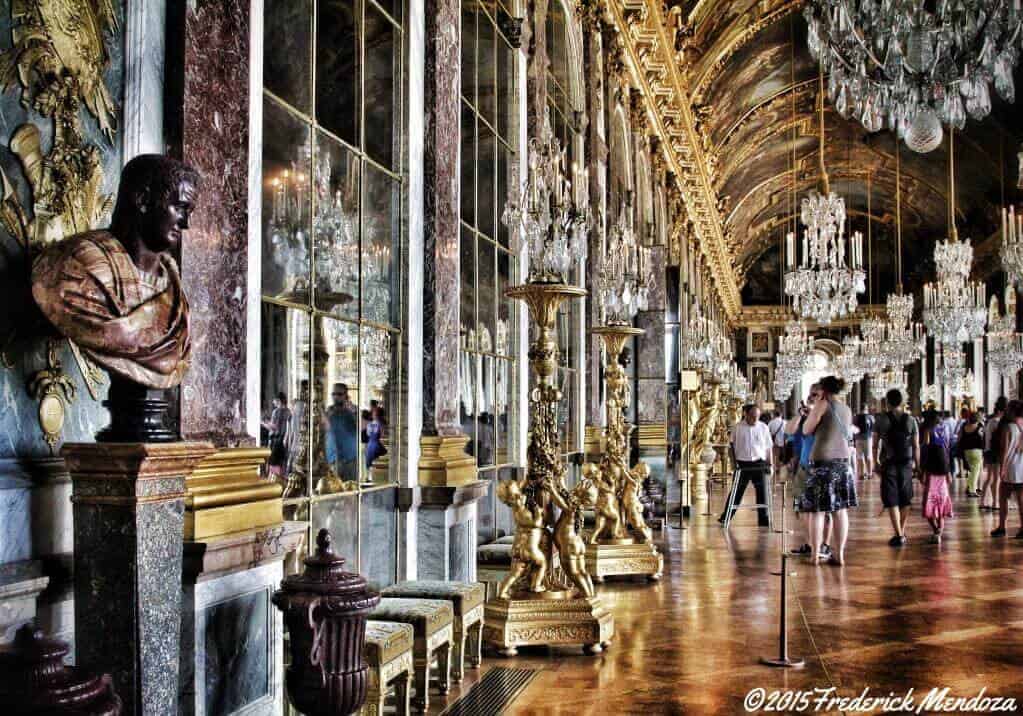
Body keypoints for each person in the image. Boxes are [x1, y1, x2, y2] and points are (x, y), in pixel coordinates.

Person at [800, 376, 857, 565]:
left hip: (822, 463)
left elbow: (807, 430)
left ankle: (815, 555)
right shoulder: (847, 409)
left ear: (823, 390)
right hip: (842, 463)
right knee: (840, 511)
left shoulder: (822, 405)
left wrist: (810, 414)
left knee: (817, 511)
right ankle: (839, 554)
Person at [786, 385, 833, 560]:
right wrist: (800, 415)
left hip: (822, 467)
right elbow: (789, 431)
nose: (811, 397)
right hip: (804, 468)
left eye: (816, 394)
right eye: (810, 394)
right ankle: (812, 543)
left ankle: (825, 545)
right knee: (804, 510)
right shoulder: (805, 419)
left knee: (825, 510)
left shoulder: (829, 417)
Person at [873, 389, 920, 547]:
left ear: (887, 402)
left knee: (891, 498)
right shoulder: (911, 420)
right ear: (902, 402)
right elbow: (916, 446)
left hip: (889, 461)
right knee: (905, 498)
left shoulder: (881, 420)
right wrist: (917, 465)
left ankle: (899, 533)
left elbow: (875, 445)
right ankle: (901, 531)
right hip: (906, 462)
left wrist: (875, 462)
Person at [719, 404, 773, 528]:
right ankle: (726, 517)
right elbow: (731, 447)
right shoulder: (737, 427)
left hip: (759, 463)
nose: (755, 419)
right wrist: (733, 464)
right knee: (736, 492)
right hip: (742, 464)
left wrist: (771, 465)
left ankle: (763, 520)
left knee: (762, 492)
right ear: (746, 414)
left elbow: (769, 447)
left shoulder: (763, 427)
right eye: (753, 416)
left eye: (757, 417)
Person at [920, 411, 954, 543]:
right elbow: (947, 451)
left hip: (931, 471)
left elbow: (926, 451)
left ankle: (936, 531)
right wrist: (949, 471)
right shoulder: (945, 430)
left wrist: (922, 469)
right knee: (941, 502)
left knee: (929, 502)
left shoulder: (928, 431)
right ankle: (939, 530)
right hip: (943, 470)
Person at [992, 400, 1023, 539]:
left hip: (1010, 467)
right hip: (1021, 466)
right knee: (1021, 499)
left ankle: (1002, 526)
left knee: (1003, 497)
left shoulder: (1008, 427)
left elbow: (1004, 450)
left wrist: (1002, 468)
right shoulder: (1021, 426)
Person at [324, 382, 358, 481]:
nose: (335, 397)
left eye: (339, 394)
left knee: (350, 491)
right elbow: (324, 430)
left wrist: (354, 412)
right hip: (333, 459)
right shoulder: (329, 411)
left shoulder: (352, 410)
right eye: (333, 394)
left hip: (350, 459)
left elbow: (364, 428)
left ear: (346, 396)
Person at [981, 398, 1007, 511]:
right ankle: (995, 502)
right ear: (1001, 411)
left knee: (990, 478)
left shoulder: (990, 421)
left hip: (988, 451)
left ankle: (984, 501)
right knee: (996, 479)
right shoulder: (996, 422)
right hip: (994, 452)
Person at [262, 392, 291, 479]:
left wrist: (263, 422)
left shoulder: (276, 411)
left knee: (273, 465)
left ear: (278, 400)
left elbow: (273, 427)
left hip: (276, 442)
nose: (273, 402)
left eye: (274, 400)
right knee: (281, 465)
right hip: (284, 442)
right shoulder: (288, 411)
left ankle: (273, 483)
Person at [959, 411, 985, 497]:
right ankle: (972, 490)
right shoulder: (979, 426)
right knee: (975, 471)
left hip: (966, 451)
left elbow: (959, 438)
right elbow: (982, 437)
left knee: (971, 471)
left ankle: (969, 487)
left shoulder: (964, 427)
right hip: (977, 451)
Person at [853, 406, 875, 479]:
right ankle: (869, 474)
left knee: (860, 456)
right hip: (868, 438)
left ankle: (861, 474)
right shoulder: (871, 417)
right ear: (866, 409)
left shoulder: (855, 417)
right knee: (869, 456)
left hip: (858, 438)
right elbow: (873, 428)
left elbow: (853, 428)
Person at [363, 404, 387, 470]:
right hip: (376, 444)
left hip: (370, 444)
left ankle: (370, 475)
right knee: (377, 460)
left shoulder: (369, 424)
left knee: (369, 460)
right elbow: (382, 435)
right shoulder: (381, 424)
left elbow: (368, 434)